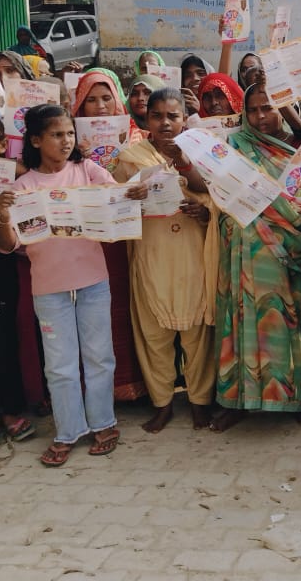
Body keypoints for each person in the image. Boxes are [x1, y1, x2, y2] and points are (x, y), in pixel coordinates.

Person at [0, 105, 146, 466]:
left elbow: (117, 200)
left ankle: (103, 423)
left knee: (99, 357)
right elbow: (7, 246)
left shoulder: (87, 170)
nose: (66, 141)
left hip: (93, 282)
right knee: (59, 365)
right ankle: (67, 431)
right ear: (35, 140)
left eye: (70, 134)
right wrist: (4, 216)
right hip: (49, 289)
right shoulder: (23, 187)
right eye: (57, 135)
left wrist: (132, 195)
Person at [209, 85, 301, 432]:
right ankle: (237, 400)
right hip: (241, 246)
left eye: (268, 108)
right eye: (253, 109)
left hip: (286, 251)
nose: (260, 116)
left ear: (283, 109)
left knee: (287, 319)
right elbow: (216, 188)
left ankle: (295, 397)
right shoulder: (234, 145)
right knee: (240, 318)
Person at [112, 88, 216, 433]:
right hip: (151, 256)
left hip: (192, 255)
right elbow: (113, 207)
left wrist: (205, 212)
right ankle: (162, 404)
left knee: (196, 335)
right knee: (153, 334)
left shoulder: (201, 153)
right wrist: (132, 196)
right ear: (146, 119)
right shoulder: (131, 159)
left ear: (185, 119)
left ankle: (200, 402)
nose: (165, 123)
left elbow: (218, 197)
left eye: (173, 116)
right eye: (157, 116)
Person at [71, 71, 148, 402]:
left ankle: (134, 383)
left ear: (117, 99)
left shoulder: (138, 137)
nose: (100, 106)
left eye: (106, 98)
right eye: (91, 99)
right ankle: (94, 389)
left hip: (125, 238)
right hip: (86, 239)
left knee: (126, 306)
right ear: (80, 104)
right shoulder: (68, 139)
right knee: (91, 314)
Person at [0, 114, 34, 451]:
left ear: (3, 145)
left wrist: (4, 169)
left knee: (2, 338)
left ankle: (12, 410)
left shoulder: (14, 177)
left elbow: (30, 178)